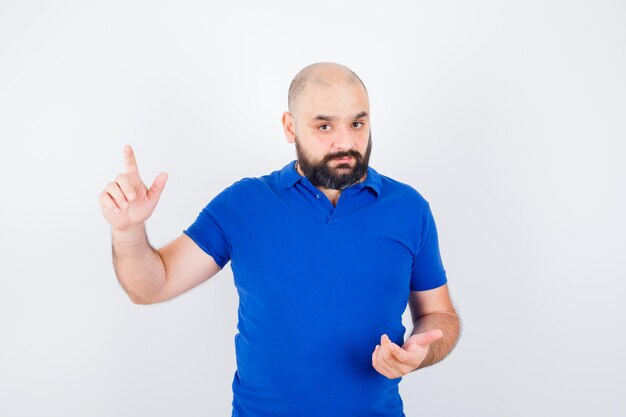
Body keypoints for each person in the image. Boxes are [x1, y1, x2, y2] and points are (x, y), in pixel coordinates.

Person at [99, 62, 461, 417]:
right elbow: (151, 286)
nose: (346, 142)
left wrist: (420, 351)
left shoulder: (409, 209)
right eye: (324, 126)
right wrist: (128, 231)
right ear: (290, 127)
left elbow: (438, 315)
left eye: (357, 123)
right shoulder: (243, 203)